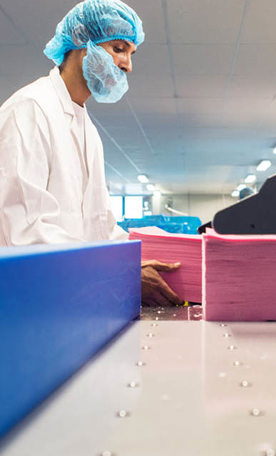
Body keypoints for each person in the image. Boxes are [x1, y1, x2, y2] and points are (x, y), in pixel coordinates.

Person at [0, 0, 182, 307]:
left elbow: (99, 226)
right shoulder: (30, 110)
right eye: (119, 48)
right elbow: (24, 233)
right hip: (29, 305)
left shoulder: (87, 130)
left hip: (76, 302)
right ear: (84, 42)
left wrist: (137, 262)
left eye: (131, 53)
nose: (128, 65)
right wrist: (118, 273)